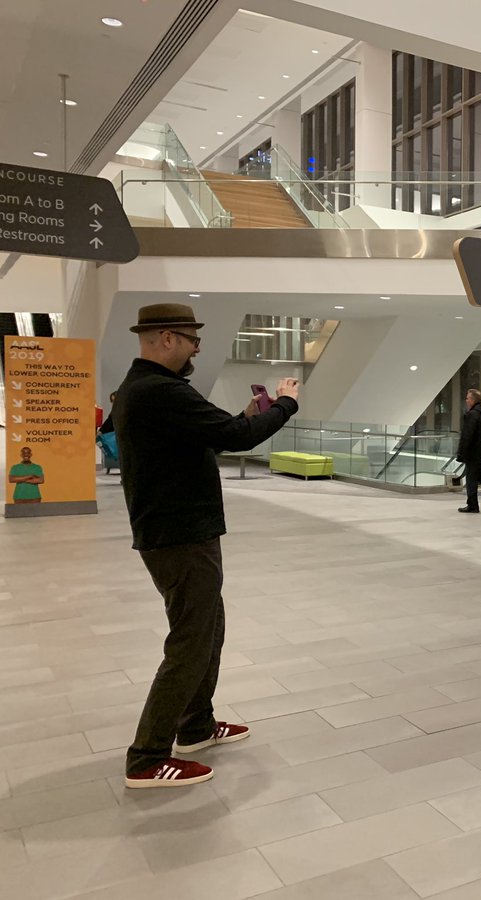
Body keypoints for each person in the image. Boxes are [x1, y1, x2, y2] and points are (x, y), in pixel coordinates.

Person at [114, 303, 300, 789]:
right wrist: (284, 404)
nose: (199, 347)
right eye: (194, 339)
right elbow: (237, 437)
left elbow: (213, 435)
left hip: (182, 531)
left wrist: (245, 416)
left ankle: (195, 726)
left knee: (207, 630)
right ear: (168, 339)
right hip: (179, 536)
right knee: (190, 641)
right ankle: (147, 757)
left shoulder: (151, 390)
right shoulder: (159, 391)